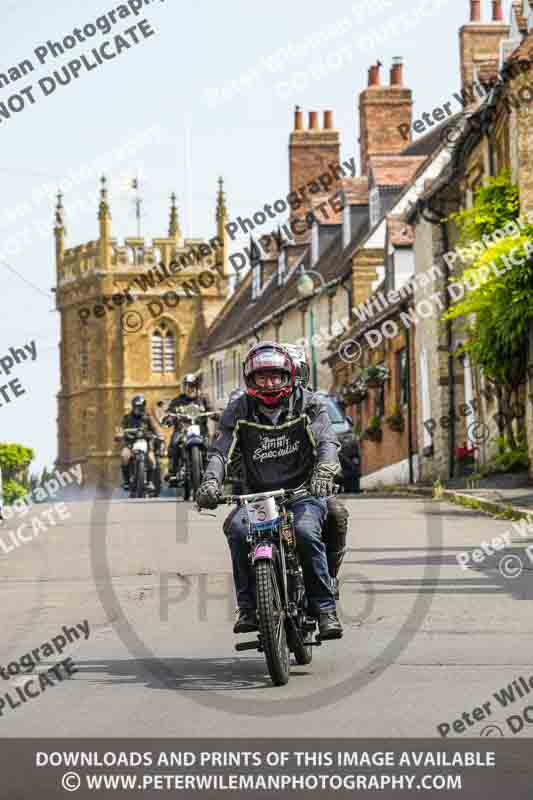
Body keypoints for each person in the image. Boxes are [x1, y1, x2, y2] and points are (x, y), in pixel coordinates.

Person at [196, 342, 344, 641]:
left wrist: (325, 472)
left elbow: (327, 442)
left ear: (288, 375)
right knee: (237, 531)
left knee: (304, 532)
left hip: (304, 491)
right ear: (250, 380)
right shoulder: (238, 409)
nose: (269, 383)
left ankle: (325, 608)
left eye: (275, 376)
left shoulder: (309, 403)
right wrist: (211, 482)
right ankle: (249, 608)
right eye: (262, 377)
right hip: (258, 496)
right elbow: (220, 452)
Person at [163, 374, 212, 481]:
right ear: (184, 387)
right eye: (187, 386)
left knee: (210, 446)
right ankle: (173, 470)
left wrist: (217, 415)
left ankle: (212, 472)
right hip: (182, 431)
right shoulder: (177, 401)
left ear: (197, 386)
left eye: (192, 385)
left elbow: (212, 410)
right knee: (174, 443)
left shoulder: (203, 399)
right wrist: (169, 419)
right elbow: (170, 412)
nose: (190, 388)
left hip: (201, 432)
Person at [119, 395, 158, 490]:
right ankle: (126, 481)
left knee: (152, 460)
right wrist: (119, 434)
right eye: (137, 407)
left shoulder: (148, 417)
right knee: (124, 456)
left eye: (141, 407)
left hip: (146, 444)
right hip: (130, 444)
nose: (139, 409)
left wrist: (158, 436)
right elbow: (120, 429)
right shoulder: (127, 418)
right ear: (133, 406)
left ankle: (149, 482)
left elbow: (155, 430)